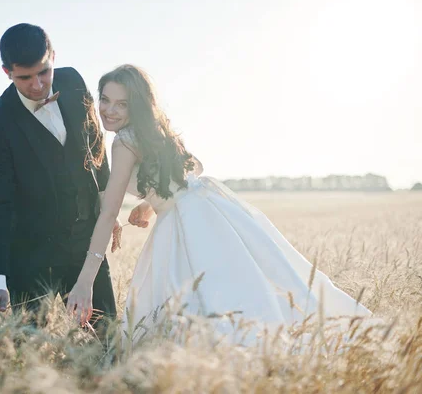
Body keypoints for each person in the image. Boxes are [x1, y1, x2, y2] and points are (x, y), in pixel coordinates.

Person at [65, 64, 372, 342]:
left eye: (122, 104)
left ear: (137, 105)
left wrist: (85, 282)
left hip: (186, 224)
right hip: (211, 206)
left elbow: (108, 214)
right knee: (243, 287)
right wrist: (151, 202)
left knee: (204, 302)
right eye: (105, 100)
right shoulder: (156, 129)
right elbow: (194, 167)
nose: (110, 111)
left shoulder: (124, 142)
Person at [0, 23, 120, 332]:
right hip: (30, 255)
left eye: (44, 72)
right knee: (30, 350)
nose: (38, 85)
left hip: (85, 241)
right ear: (6, 72)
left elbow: (94, 142)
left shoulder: (73, 80)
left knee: (108, 341)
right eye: (24, 78)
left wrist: (107, 207)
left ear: (53, 56)